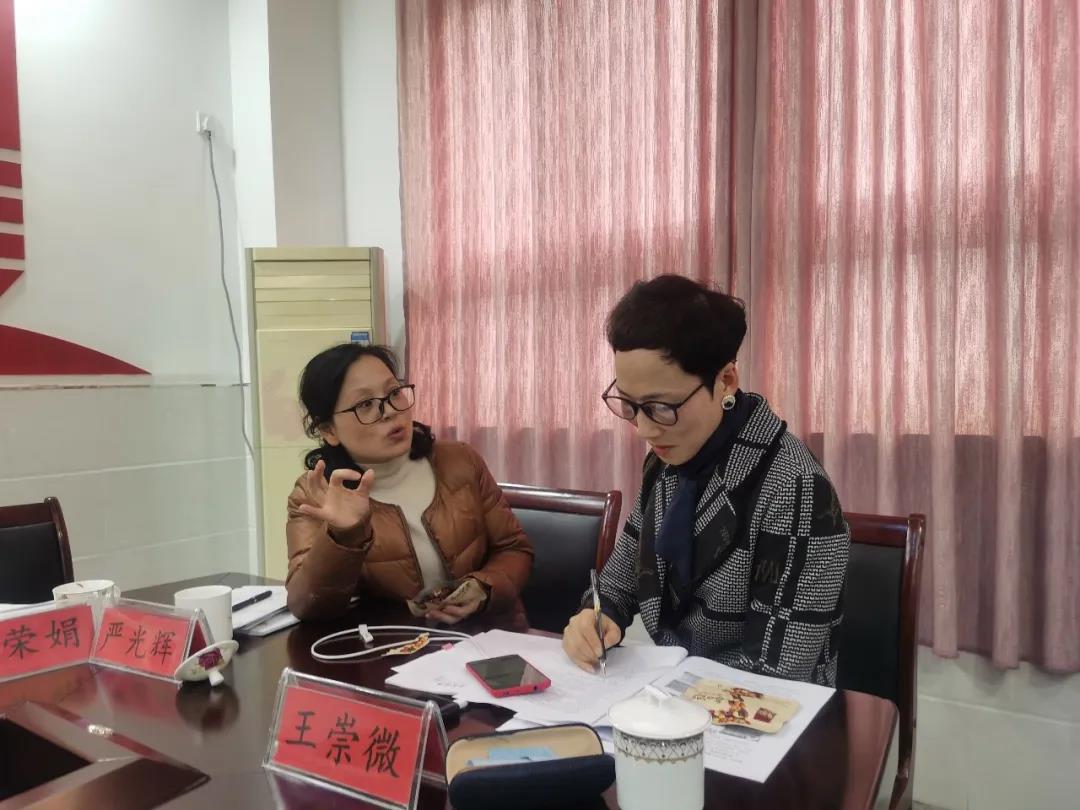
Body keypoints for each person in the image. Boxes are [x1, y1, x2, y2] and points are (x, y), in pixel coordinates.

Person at [562, 275, 850, 686]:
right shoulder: (667, 463)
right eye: (629, 405)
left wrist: (659, 694)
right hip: (677, 694)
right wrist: (596, 617)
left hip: (768, 711)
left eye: (661, 407)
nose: (644, 429)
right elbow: (618, 583)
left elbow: (777, 671)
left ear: (726, 381)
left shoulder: (794, 487)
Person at [285, 343, 533, 623]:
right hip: (395, 645)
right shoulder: (315, 495)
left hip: (489, 635)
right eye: (365, 405)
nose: (390, 411)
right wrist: (344, 536)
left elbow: (515, 549)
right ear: (328, 430)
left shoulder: (460, 461)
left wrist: (484, 588)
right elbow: (308, 607)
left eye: (394, 393)